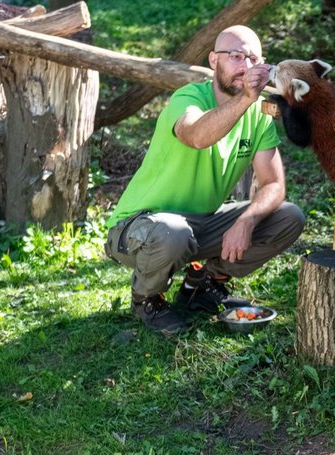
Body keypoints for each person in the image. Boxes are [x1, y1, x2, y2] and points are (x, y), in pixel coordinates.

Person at [105, 25, 305, 335]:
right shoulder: (188, 97)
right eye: (236, 56)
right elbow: (197, 136)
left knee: (288, 216)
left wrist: (246, 221)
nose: (246, 67)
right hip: (140, 227)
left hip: (201, 224)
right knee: (173, 233)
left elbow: (274, 184)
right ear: (214, 60)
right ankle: (146, 300)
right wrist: (244, 100)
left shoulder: (258, 116)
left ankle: (203, 286)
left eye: (253, 59)